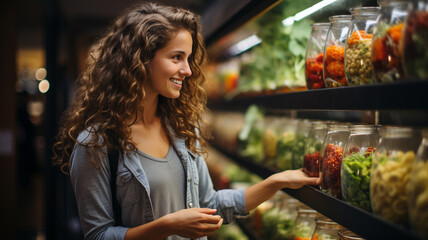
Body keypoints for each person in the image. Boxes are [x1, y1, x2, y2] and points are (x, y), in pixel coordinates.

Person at [53, 2, 320, 240]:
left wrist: (276, 182)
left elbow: (210, 203)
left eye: (189, 58)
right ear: (141, 59)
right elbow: (98, 234)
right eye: (177, 57)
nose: (188, 70)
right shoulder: (95, 144)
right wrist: (168, 225)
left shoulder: (181, 128)